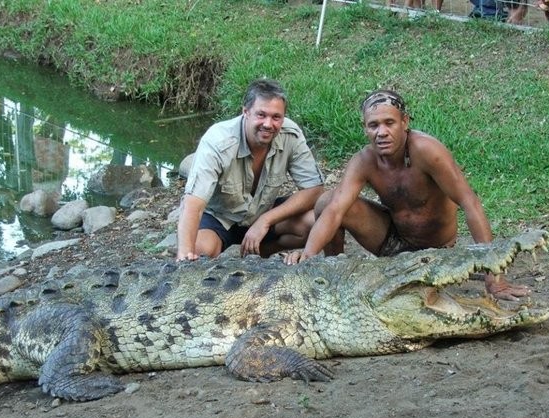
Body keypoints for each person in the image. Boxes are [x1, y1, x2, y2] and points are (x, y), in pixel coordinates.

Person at [284, 89, 530, 302]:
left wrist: (493, 276)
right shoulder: (364, 161)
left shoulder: (427, 151)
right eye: (373, 125)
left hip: (437, 251)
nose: (381, 132)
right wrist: (308, 256)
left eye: (389, 123)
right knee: (327, 201)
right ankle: (332, 274)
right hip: (393, 245)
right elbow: (336, 209)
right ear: (365, 128)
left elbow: (470, 202)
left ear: (404, 122)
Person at [176, 78, 324, 261]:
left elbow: (315, 189)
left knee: (317, 222)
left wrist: (265, 220)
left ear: (283, 117)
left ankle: (257, 256)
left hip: (263, 212)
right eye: (261, 115)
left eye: (276, 117)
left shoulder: (290, 134)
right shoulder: (217, 141)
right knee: (199, 252)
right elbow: (192, 205)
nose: (268, 124)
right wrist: (184, 257)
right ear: (246, 112)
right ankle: (224, 254)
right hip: (221, 218)